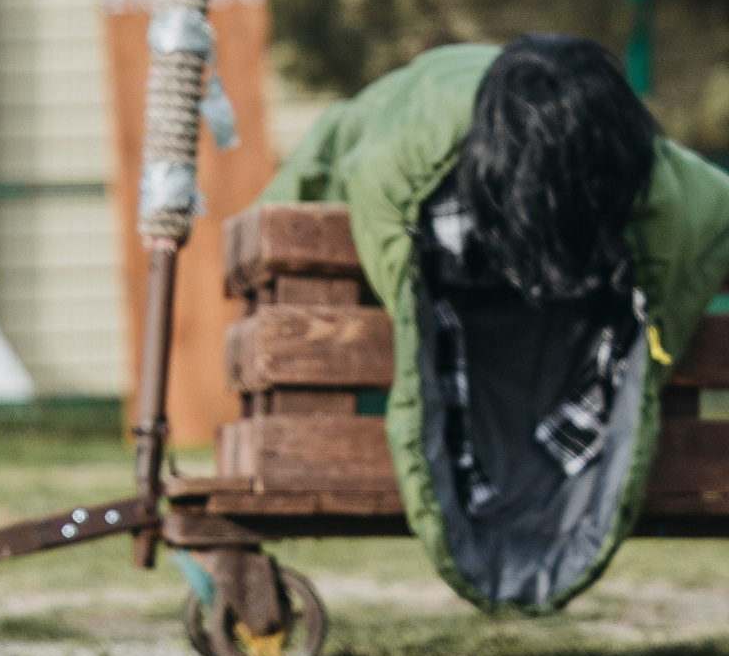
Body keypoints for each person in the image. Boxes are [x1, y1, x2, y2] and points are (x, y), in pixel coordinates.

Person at [261, 35, 729, 613]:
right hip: (409, 107)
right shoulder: (402, 158)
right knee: (301, 212)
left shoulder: (646, 173)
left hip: (510, 119)